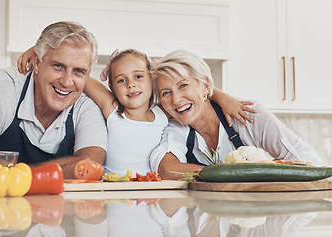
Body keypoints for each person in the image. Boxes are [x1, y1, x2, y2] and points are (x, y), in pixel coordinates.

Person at [18, 48, 256, 176]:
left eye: (139, 77)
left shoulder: (165, 111)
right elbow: (82, 76)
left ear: (152, 82)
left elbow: (190, 90)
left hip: (155, 191)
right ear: (112, 88)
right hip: (112, 190)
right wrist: (44, 54)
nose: (131, 84)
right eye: (121, 80)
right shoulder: (112, 109)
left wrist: (220, 96)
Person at [0, 21, 107, 187]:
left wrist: (2, 172)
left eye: (79, 71)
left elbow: (91, 165)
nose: (67, 82)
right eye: (58, 66)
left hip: (63, 211)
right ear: (37, 63)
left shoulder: (87, 104)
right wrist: (66, 169)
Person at [149, 49, 323, 179]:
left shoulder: (248, 114)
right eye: (166, 93)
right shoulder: (177, 127)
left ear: (205, 86)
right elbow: (167, 170)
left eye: (183, 85)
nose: (176, 99)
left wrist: (267, 170)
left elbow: (311, 161)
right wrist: (235, 173)